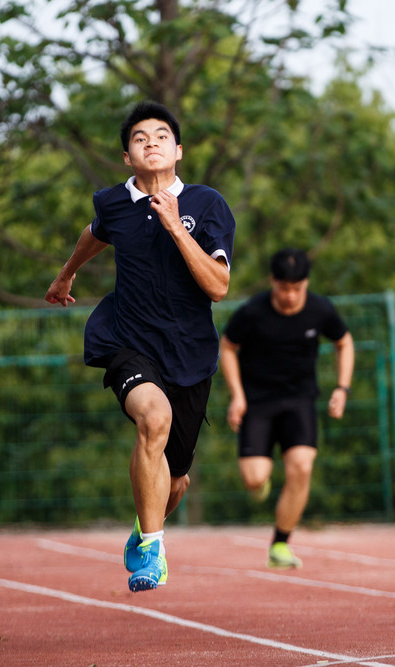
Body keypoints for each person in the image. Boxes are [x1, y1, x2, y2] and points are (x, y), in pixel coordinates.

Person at [45, 101, 236, 592]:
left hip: (190, 352)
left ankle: (143, 526)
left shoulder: (206, 204)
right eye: (139, 138)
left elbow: (217, 287)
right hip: (125, 338)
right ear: (128, 156)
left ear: (178, 150)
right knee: (153, 419)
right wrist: (67, 273)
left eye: (161, 135)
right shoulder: (114, 202)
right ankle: (153, 550)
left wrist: (175, 226)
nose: (151, 142)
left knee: (175, 482)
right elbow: (96, 233)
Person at [219, 248, 353, 569]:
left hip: (299, 401)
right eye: (284, 289)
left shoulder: (321, 310)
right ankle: (261, 481)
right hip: (258, 402)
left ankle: (280, 544)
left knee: (302, 468)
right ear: (272, 282)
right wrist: (237, 396)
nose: (291, 296)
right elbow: (227, 347)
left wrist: (342, 388)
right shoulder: (253, 312)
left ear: (306, 284)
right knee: (254, 479)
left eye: (297, 289)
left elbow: (343, 342)